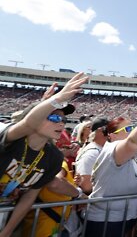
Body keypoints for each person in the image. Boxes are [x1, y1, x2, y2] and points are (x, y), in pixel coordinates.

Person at [0, 73, 88, 237]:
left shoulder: (53, 157)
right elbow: (28, 122)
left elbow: (30, 196)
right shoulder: (13, 138)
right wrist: (55, 99)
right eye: (54, 117)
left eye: (63, 119)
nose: (61, 122)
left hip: (7, 216)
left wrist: (7, 231)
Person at [84, 98, 137, 237]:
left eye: (133, 127)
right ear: (112, 135)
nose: (132, 132)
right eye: (128, 129)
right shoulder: (111, 149)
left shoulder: (131, 154)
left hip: (127, 217)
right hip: (108, 220)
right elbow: (134, 142)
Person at [75, 116, 109, 195]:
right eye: (109, 130)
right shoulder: (92, 153)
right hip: (93, 203)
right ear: (100, 131)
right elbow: (86, 186)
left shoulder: (101, 149)